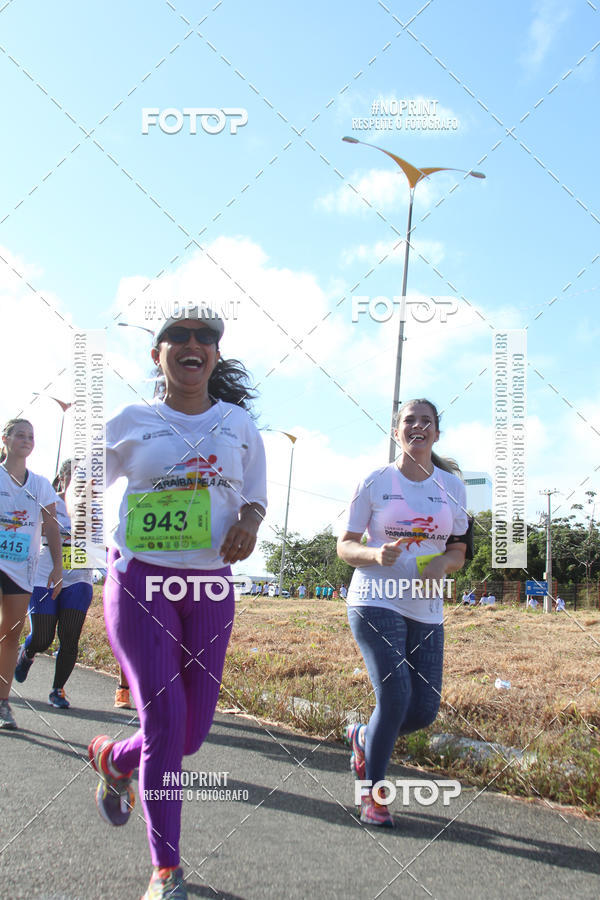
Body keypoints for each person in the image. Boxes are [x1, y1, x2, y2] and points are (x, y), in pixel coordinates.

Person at [82, 307, 267, 900]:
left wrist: (249, 521)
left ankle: (115, 759)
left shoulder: (237, 423)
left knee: (188, 735)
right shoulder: (132, 420)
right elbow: (83, 485)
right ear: (157, 355)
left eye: (206, 338)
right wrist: (85, 522)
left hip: (210, 587)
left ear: (215, 355)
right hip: (141, 581)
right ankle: (167, 870)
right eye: (179, 337)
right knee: (164, 722)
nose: (194, 344)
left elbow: (256, 496)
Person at [337, 399, 469, 827]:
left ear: (436, 433)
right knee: (394, 696)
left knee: (422, 711)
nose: (418, 426)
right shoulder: (374, 480)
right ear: (397, 432)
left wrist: (443, 564)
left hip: (426, 608)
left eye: (426, 421)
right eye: (409, 421)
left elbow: (459, 549)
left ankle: (363, 736)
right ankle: (372, 794)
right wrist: (375, 554)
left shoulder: (453, 486)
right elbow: (345, 545)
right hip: (375, 598)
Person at [14, 459, 93, 708]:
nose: (80, 481)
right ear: (62, 479)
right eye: (74, 476)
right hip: (45, 574)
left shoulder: (97, 508)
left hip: (79, 576)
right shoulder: (48, 501)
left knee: (69, 637)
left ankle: (57, 690)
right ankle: (27, 653)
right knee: (43, 637)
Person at [0, 418, 62, 729]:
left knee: (10, 634)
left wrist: (58, 567)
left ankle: (2, 702)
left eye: (31, 436)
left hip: (21, 566)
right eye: (20, 435)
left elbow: (51, 525)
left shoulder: (40, 484)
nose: (26, 440)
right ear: (5, 439)